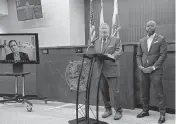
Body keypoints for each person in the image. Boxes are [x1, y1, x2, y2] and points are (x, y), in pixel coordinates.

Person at [136, 20, 167, 124]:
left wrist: (153, 67)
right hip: (143, 71)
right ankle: (145, 111)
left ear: (155, 27)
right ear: (145, 28)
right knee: (144, 92)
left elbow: (163, 55)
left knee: (159, 93)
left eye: (152, 26)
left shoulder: (161, 39)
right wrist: (140, 67)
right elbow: (138, 56)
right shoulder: (141, 41)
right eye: (148, 25)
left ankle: (162, 114)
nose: (149, 27)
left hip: (156, 71)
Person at [94, 23, 123, 120]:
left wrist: (113, 56)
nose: (104, 30)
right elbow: (95, 54)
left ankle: (118, 111)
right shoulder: (96, 42)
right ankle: (108, 109)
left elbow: (119, 51)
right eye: (102, 29)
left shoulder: (116, 40)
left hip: (112, 70)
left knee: (115, 92)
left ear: (109, 30)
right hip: (100, 71)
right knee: (104, 91)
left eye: (106, 28)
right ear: (99, 30)